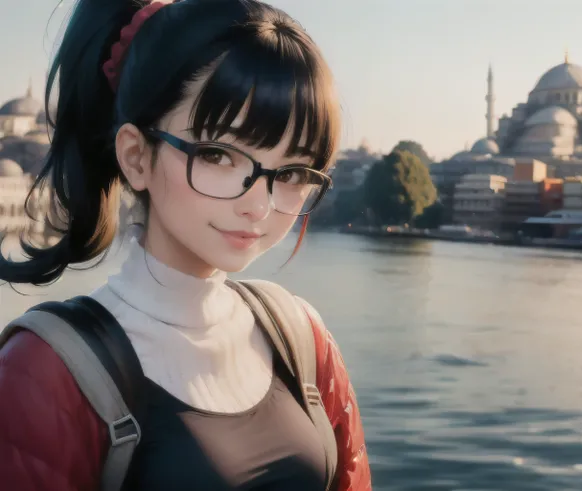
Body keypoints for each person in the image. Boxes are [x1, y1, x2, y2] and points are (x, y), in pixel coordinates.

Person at [0, 0, 371, 490]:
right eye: (219, 155)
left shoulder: (305, 341)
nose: (258, 206)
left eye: (294, 172)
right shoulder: (45, 373)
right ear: (136, 156)